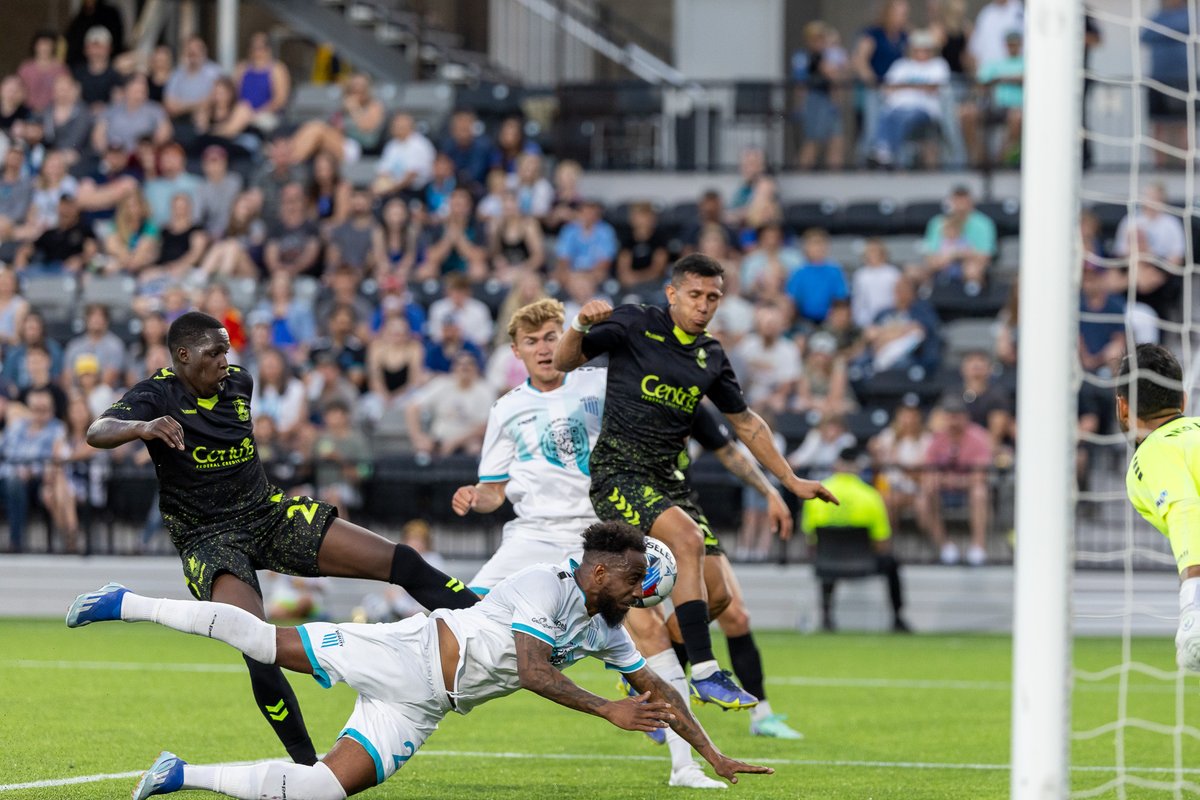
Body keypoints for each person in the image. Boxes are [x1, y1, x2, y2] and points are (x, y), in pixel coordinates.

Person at [67, 521, 772, 799]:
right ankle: (125, 600)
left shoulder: (605, 625)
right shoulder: (543, 585)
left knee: (320, 792)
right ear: (598, 574)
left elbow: (660, 688)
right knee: (259, 637)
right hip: (403, 655)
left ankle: (177, 774)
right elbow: (530, 669)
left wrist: (710, 753)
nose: (645, 595)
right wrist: (607, 709)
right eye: (636, 582)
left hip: (427, 703)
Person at [83, 311, 480, 768]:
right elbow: (97, 432)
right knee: (257, 646)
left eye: (226, 351)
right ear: (183, 356)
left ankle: (492, 626)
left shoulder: (239, 382)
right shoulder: (154, 394)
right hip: (209, 538)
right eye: (213, 354)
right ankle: (308, 769)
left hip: (268, 513)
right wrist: (143, 428)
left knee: (403, 561)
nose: (224, 362)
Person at [552, 254, 838, 707]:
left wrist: (788, 479)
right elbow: (562, 361)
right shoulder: (634, 323)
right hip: (619, 472)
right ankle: (705, 672)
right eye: (695, 295)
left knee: (720, 594)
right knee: (686, 539)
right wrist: (579, 326)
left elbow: (745, 425)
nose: (704, 305)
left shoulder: (711, 356)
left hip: (671, 483)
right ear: (672, 294)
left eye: (713, 297)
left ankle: (642, 674)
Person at [1116, 344, 1200, 672]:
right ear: (1183, 400)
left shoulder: (1155, 450)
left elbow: (1186, 511)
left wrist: (1193, 608)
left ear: (1122, 407)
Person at [801, 444, 910, 632]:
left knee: (825, 556)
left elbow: (810, 539)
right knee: (891, 563)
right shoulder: (870, 496)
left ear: (836, 464)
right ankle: (897, 618)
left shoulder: (817, 493)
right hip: (864, 561)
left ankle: (826, 617)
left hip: (828, 561)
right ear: (858, 467)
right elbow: (882, 542)